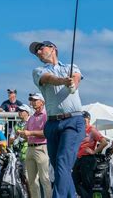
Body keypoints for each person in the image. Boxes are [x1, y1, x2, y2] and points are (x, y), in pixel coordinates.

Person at [29, 40, 85, 198]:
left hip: (73, 122)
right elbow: (47, 79)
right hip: (52, 124)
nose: (38, 52)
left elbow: (76, 79)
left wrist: (72, 83)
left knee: (62, 162)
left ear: (53, 48)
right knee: (61, 167)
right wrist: (63, 81)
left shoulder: (70, 67)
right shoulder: (38, 70)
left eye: (41, 48)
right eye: (36, 51)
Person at [17, 93, 52, 198]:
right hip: (30, 148)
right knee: (31, 180)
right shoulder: (31, 118)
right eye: (32, 100)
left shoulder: (47, 115)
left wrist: (29, 133)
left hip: (42, 148)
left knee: (45, 179)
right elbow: (27, 135)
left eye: (35, 100)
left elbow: (46, 133)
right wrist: (23, 134)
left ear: (42, 102)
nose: (32, 102)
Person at [72, 111, 108, 198]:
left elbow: (104, 142)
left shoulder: (91, 130)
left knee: (87, 183)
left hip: (88, 159)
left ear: (89, 119)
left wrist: (94, 152)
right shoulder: (78, 130)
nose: (83, 119)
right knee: (74, 181)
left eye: (85, 117)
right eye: (81, 118)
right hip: (78, 159)